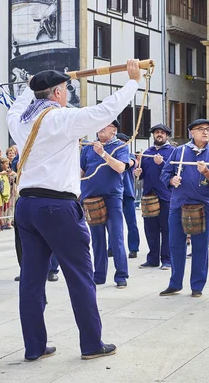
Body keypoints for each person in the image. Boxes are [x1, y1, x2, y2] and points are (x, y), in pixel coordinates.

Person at [7, 61, 141, 360]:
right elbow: (105, 111)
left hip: (26, 206)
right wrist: (132, 82)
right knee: (80, 276)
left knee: (31, 279)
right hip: (57, 205)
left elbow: (15, 108)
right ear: (56, 93)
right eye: (65, 90)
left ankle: (34, 347)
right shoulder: (61, 118)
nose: (66, 94)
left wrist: (29, 88)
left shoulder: (20, 122)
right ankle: (92, 343)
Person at [159, 119, 209, 298]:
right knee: (176, 244)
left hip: (203, 204)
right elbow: (166, 173)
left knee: (201, 246)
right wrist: (171, 180)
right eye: (201, 129)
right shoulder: (178, 151)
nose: (205, 132)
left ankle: (197, 286)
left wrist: (206, 172)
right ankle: (175, 283)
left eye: (208, 130)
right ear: (191, 132)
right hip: (179, 203)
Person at [80, 120, 130, 289]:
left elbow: (120, 168)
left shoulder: (120, 147)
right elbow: (81, 171)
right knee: (97, 239)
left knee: (116, 237)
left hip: (112, 197)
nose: (100, 128)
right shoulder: (88, 148)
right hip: (91, 197)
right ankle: (99, 275)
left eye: (105, 125)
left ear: (113, 130)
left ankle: (121, 275)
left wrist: (103, 154)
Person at [134, 123, 174, 269]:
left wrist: (162, 163)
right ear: (153, 135)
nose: (159, 135)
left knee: (166, 228)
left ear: (167, 135)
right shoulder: (147, 152)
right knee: (150, 229)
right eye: (157, 132)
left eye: (162, 133)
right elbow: (142, 173)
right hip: (149, 196)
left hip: (165, 195)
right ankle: (152, 259)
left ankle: (167, 259)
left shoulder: (172, 152)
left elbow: (175, 172)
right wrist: (138, 174)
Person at [115, 132, 140, 259]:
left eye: (122, 142)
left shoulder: (129, 156)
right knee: (113, 223)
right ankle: (111, 248)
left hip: (127, 193)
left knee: (131, 223)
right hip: (113, 194)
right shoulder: (111, 156)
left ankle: (133, 248)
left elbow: (132, 163)